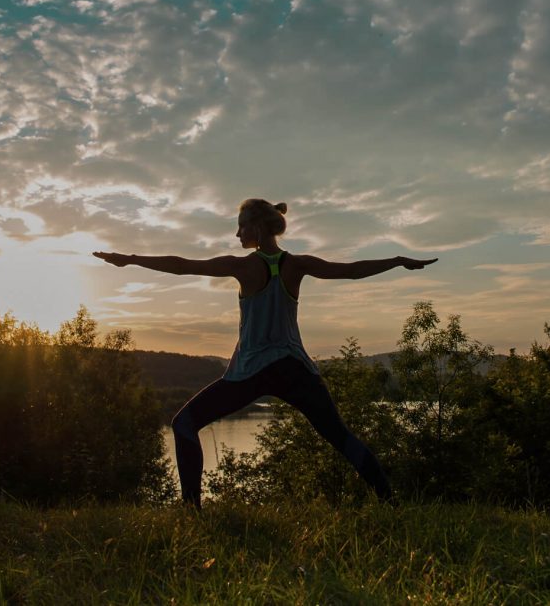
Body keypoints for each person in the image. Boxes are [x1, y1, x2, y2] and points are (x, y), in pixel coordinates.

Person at [94, 198, 437, 508]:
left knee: (183, 423)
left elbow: (182, 265)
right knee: (341, 437)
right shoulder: (297, 264)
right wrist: (396, 260)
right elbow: (349, 271)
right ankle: (391, 506)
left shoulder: (243, 267)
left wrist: (131, 260)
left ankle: (191, 512)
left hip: (251, 372)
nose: (237, 233)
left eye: (241, 225)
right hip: (296, 369)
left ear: (257, 228)